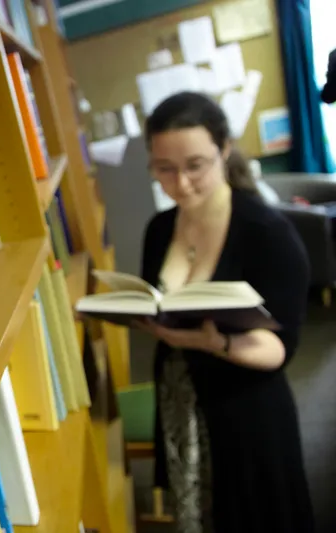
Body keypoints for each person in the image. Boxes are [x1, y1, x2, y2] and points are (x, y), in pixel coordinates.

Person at [139, 92, 314, 533]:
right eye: (164, 169)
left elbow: (279, 347)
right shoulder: (159, 229)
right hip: (180, 404)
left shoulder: (267, 232)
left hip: (245, 411)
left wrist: (214, 342)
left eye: (196, 165)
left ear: (225, 151)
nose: (180, 183)